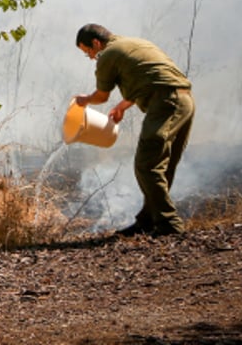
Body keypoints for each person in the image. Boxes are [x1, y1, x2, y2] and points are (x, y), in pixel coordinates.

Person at [74, 23, 195, 237]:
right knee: (162, 165)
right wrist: (122, 106)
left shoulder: (108, 54)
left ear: (96, 43)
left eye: (88, 52)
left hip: (166, 102)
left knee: (146, 165)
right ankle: (148, 220)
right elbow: (150, 77)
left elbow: (101, 96)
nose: (92, 58)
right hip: (184, 100)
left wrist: (84, 100)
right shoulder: (134, 44)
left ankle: (170, 224)